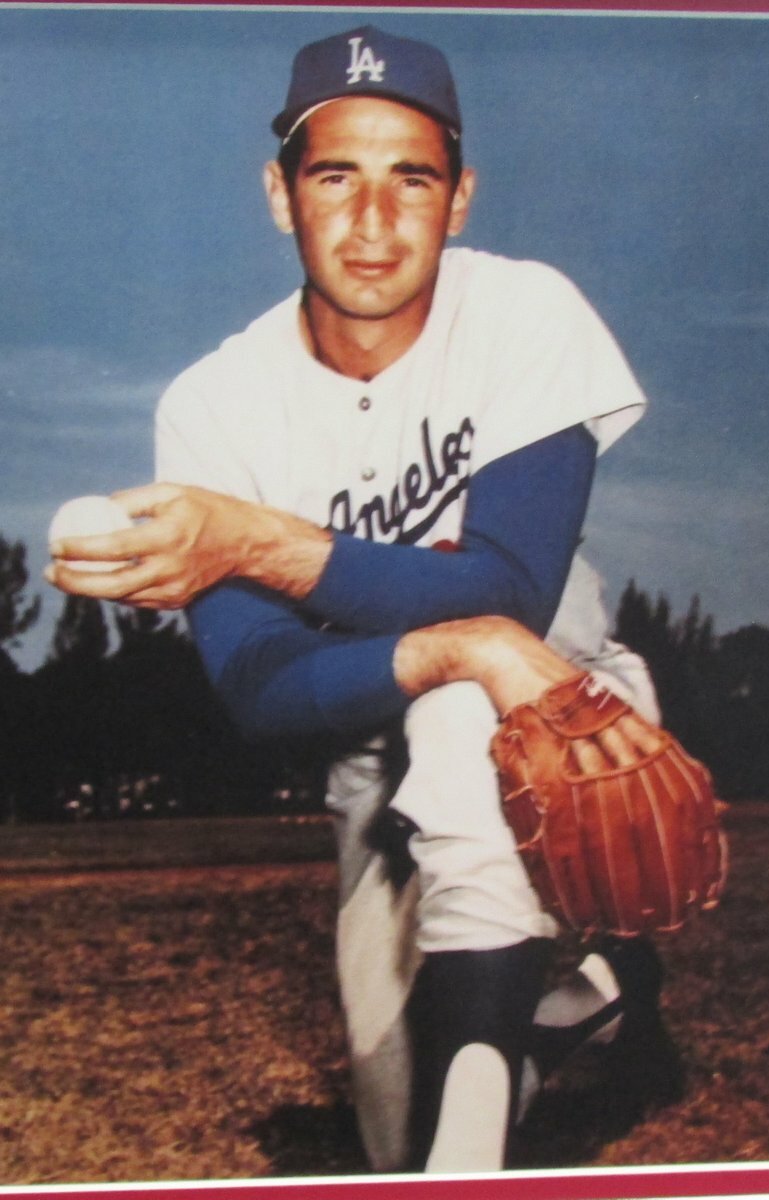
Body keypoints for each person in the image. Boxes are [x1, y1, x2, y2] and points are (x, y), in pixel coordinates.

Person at [48, 25, 678, 1174]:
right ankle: (586, 1004)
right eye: (336, 176)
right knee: (395, 1134)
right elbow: (257, 683)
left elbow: (509, 592)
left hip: (555, 698)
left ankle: (471, 1149)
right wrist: (455, 645)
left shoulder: (523, 313)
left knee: (462, 708)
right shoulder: (215, 404)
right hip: (364, 752)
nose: (375, 222)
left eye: (412, 179)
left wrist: (259, 540)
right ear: (280, 194)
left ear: (460, 197)